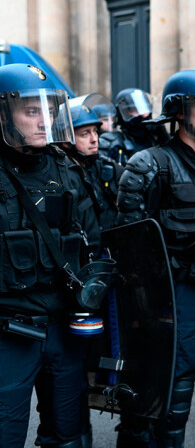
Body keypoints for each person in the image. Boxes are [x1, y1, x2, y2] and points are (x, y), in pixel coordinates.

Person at [117, 70, 195, 447]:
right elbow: (132, 248)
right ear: (179, 111)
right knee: (175, 391)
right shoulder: (147, 166)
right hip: (177, 295)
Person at [0, 63, 101, 447]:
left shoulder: (64, 168)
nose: (44, 121)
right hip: (9, 332)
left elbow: (93, 242)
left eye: (48, 110)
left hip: (63, 326)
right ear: (3, 113)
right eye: (31, 111)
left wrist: (94, 287)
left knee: (66, 433)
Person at [67, 95, 124, 230]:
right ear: (67, 140)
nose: (94, 139)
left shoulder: (106, 166)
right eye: (85, 134)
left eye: (95, 132)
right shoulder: (61, 175)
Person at [99, 88, 169, 165]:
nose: (142, 114)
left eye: (144, 108)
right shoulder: (111, 143)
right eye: (135, 110)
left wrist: (164, 137)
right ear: (123, 113)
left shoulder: (156, 138)